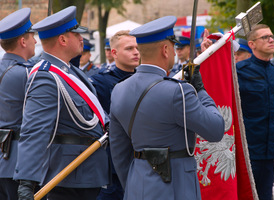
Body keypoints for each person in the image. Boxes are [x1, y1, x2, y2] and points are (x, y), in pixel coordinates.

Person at [109, 15, 224, 200]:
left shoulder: (119, 90)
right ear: (165, 50)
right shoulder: (178, 92)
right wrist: (200, 90)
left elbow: (119, 151)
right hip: (177, 188)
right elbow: (216, 129)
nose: (174, 53)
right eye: (173, 48)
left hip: (137, 185)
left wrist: (133, 183)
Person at [13, 6, 109, 200]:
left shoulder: (70, 71)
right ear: (63, 39)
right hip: (68, 176)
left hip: (87, 172)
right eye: (76, 34)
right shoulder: (46, 77)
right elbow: (35, 130)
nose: (82, 38)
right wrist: (26, 182)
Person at [90, 30, 140, 200]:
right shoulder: (101, 83)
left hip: (144, 159)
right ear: (114, 53)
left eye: (137, 47)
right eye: (129, 48)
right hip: (113, 164)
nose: (136, 52)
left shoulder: (148, 80)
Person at [236, 24, 274, 200]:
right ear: (252, 44)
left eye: (272, 36)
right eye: (265, 37)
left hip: (269, 153)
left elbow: (273, 114)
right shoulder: (240, 71)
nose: (271, 40)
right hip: (248, 152)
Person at [0, 8, 36, 200]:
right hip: (18, 161)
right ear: (23, 41)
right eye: (32, 38)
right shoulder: (26, 74)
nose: (36, 42)